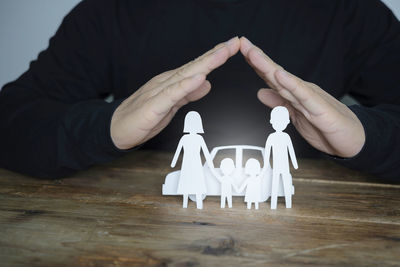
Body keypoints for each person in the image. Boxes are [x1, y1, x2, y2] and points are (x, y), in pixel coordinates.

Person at [0, 0, 399, 179]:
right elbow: (11, 119)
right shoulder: (112, 11)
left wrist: (367, 137)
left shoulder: (349, 13)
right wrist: (107, 126)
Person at [170, 111, 213, 209]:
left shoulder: (199, 138)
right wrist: (173, 162)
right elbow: (178, 151)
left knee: (197, 182)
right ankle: (185, 203)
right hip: (187, 163)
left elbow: (205, 151)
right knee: (186, 181)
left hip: (196, 163)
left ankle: (199, 204)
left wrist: (210, 162)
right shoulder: (184, 138)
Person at [265, 106, 298, 209]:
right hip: (276, 166)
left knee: (286, 184)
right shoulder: (271, 137)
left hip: (285, 166)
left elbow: (291, 151)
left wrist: (295, 163)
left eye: (282, 122)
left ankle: (288, 203)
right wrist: (266, 164)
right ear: (272, 122)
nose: (279, 124)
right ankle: (273, 204)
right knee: (274, 184)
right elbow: (267, 151)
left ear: (287, 122)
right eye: (277, 122)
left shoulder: (286, 137)